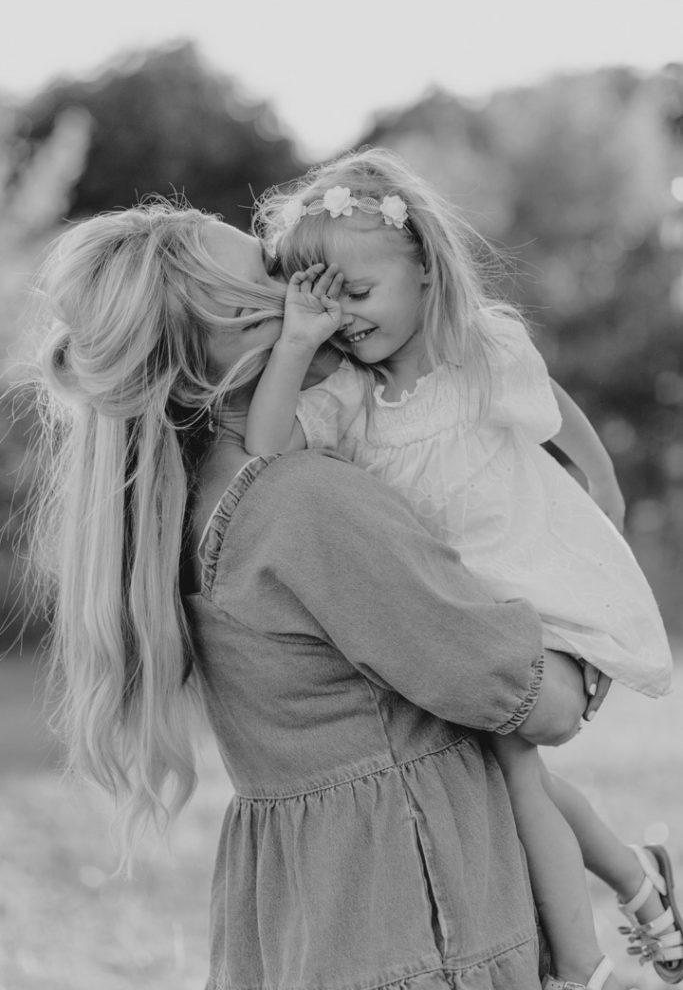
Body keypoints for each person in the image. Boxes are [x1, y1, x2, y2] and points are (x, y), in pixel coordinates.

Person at [27, 200, 613, 990]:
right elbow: (536, 700)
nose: (308, 278)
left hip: (315, 917)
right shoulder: (302, 502)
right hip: (410, 916)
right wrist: (595, 621)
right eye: (271, 275)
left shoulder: (189, 510)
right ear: (225, 346)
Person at [245, 149, 682, 990]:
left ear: (423, 275)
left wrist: (605, 489)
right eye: (320, 305)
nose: (342, 320)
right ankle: (639, 880)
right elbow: (265, 450)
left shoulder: (483, 355)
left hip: (545, 614)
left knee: (513, 767)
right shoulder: (346, 407)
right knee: (503, 771)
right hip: (467, 635)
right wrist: (296, 346)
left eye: (358, 295)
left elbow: (559, 414)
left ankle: (580, 964)